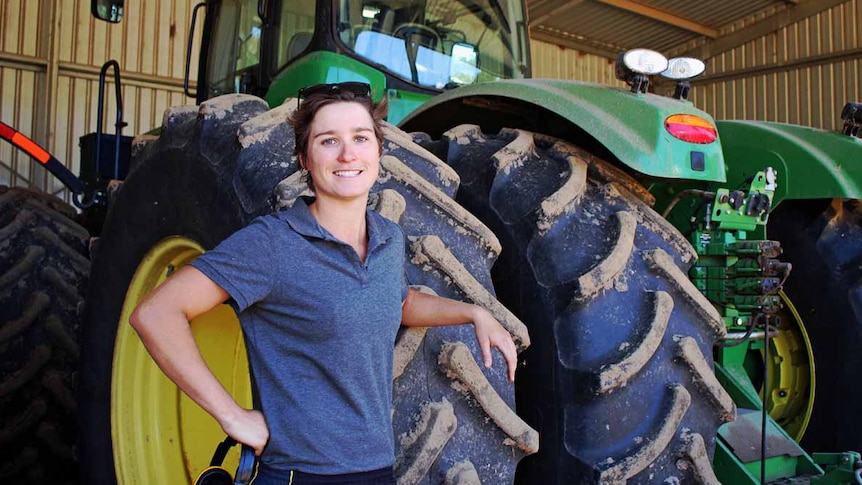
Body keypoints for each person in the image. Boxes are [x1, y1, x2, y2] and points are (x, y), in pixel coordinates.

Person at [129, 82, 518, 484]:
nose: (348, 154)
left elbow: (395, 303)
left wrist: (472, 312)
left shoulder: (387, 237)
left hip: (376, 471)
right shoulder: (272, 244)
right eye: (329, 140)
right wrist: (232, 416)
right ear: (305, 158)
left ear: (378, 152)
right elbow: (157, 313)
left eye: (360, 138)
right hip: (301, 474)